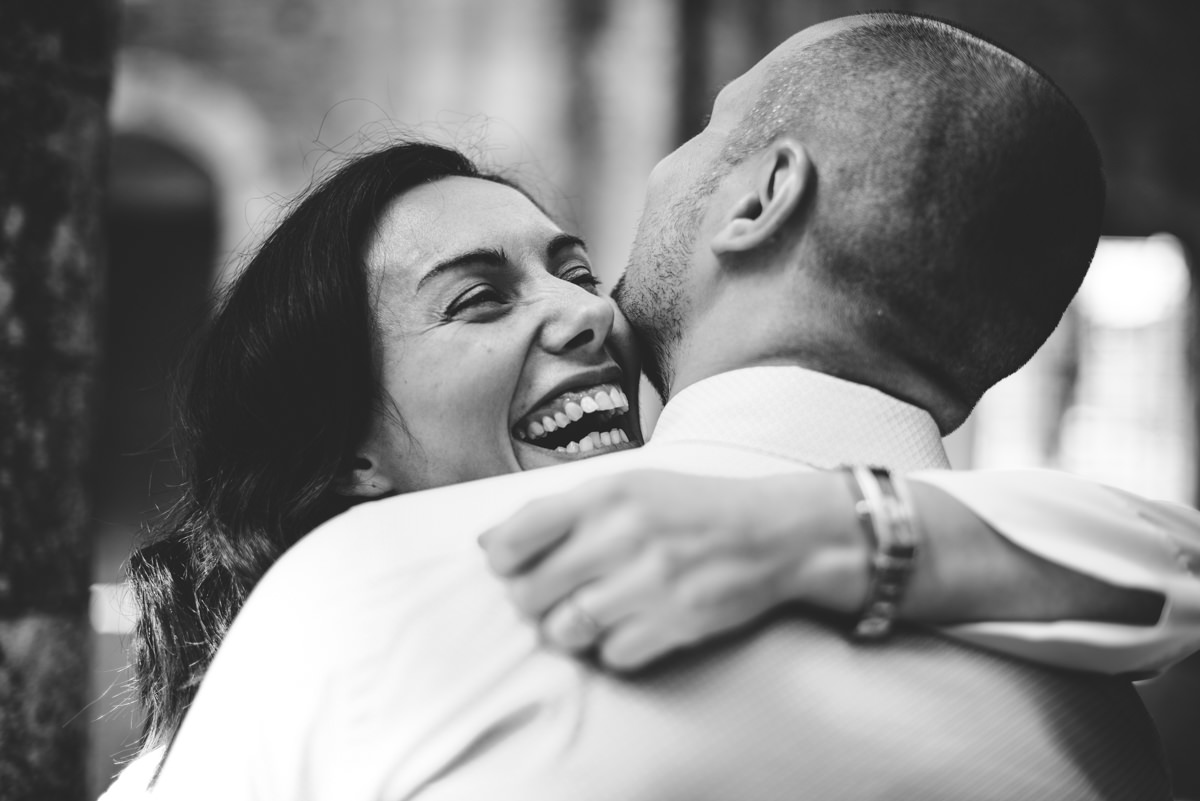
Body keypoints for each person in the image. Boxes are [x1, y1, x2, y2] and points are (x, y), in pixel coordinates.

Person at [146, 12, 1199, 800]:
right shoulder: (1103, 711)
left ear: (761, 198)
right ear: (347, 448)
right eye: (477, 301)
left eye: (704, 130)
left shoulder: (370, 591)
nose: (582, 311)